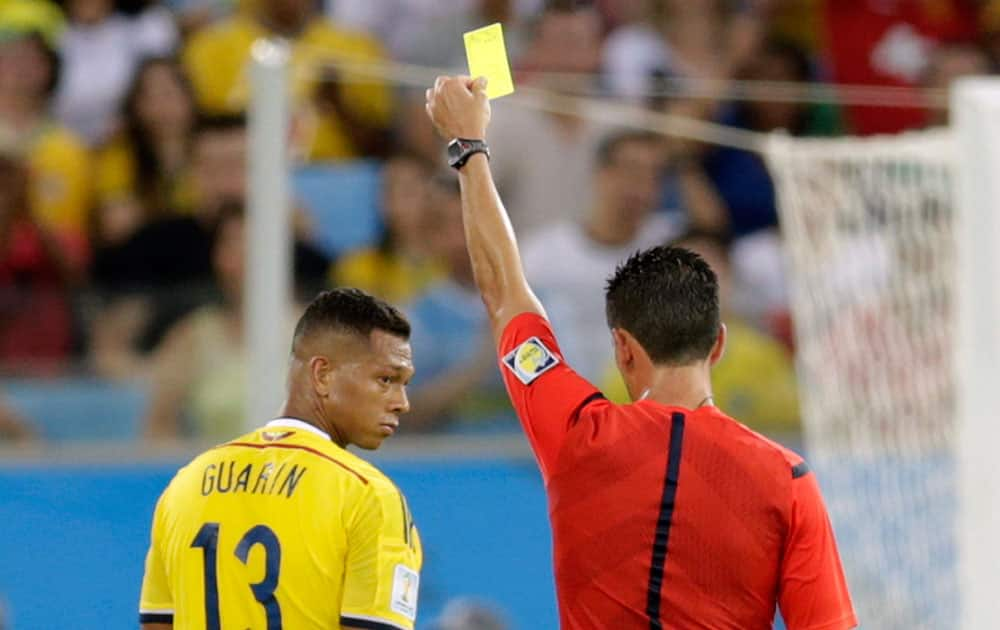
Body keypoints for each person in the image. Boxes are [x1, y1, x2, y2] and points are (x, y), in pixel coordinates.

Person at [425, 75, 856, 629]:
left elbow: (504, 293)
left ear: (623, 349)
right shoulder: (787, 479)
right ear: (718, 342)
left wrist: (469, 148)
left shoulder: (576, 431)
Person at [139, 287, 423, 630]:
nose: (401, 402)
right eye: (386, 379)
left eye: (404, 383)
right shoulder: (368, 497)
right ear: (322, 375)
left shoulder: (186, 484)